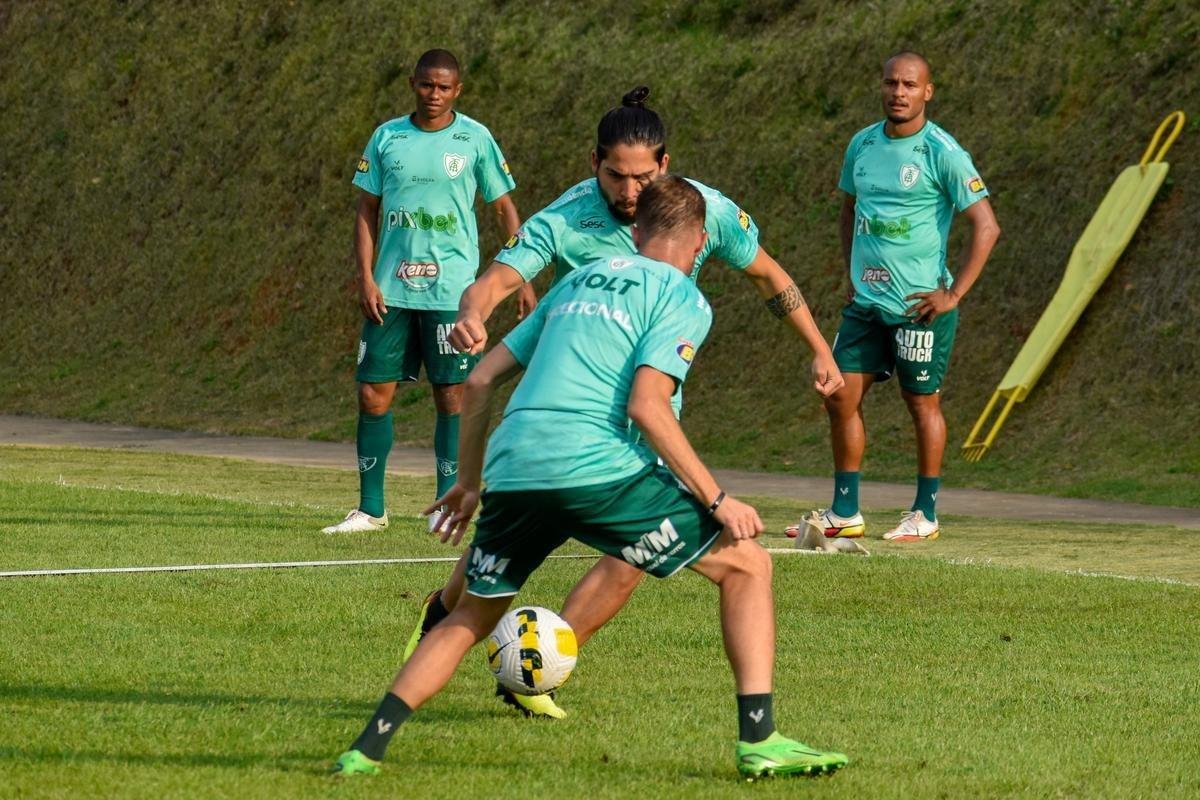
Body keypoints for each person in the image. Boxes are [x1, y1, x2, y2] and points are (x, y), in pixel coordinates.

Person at [331, 176, 849, 780]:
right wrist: (718, 498)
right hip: (595, 466)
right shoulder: (682, 296)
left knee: (472, 616)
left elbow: (479, 380)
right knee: (748, 565)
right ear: (700, 242)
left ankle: (366, 747)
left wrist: (469, 483)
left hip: (514, 466)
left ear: (637, 232)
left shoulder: (576, 281)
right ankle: (760, 739)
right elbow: (647, 406)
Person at [402, 87, 843, 718]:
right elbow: (495, 281)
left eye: (643, 176)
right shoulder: (566, 217)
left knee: (630, 558)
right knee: (492, 560)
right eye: (616, 175)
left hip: (647, 412)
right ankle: (440, 621)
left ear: (665, 164)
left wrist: (820, 349)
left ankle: (535, 672)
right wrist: (472, 313)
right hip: (568, 415)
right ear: (594, 163)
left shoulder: (700, 211)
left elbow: (769, 275)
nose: (631, 190)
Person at [790, 51, 1000, 542]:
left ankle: (925, 514)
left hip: (919, 308)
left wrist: (953, 294)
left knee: (921, 404)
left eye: (909, 85)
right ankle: (845, 512)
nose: (898, 93)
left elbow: (987, 226)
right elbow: (849, 210)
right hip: (865, 304)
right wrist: (851, 268)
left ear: (928, 91)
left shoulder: (943, 152)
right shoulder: (862, 144)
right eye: (891, 83)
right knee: (838, 396)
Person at [322, 49, 526, 534]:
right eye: (427, 85)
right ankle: (371, 510)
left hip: (452, 294)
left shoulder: (474, 138)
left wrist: (523, 276)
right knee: (372, 394)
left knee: (452, 396)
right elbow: (366, 209)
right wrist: (366, 277)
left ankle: (445, 506)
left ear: (458, 90)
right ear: (413, 83)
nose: (434, 94)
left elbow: (504, 209)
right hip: (390, 290)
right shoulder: (386, 137)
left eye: (444, 87)